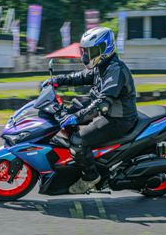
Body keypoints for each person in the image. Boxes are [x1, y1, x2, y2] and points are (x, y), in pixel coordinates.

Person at [41, 27, 138, 194]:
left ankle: (90, 177)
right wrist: (56, 80)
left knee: (78, 140)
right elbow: (81, 76)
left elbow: (102, 103)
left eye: (91, 51)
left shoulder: (115, 70)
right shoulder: (103, 65)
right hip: (106, 110)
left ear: (105, 48)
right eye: (85, 51)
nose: (87, 55)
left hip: (118, 118)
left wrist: (76, 117)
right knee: (66, 111)